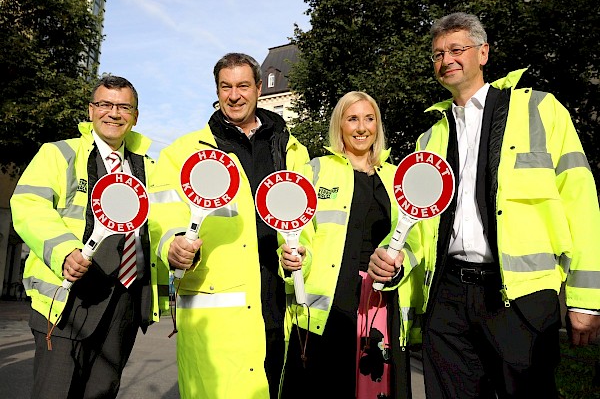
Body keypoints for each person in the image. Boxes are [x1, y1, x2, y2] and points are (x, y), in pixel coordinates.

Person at [369, 12, 600, 399]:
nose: (447, 60)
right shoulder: (430, 136)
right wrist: (397, 261)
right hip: (449, 296)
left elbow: (582, 204)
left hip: (520, 300)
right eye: (438, 54)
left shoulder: (540, 110)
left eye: (457, 49)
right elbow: (422, 229)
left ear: (484, 53)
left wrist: (587, 300)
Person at [148, 52, 310, 398]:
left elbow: (304, 216)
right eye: (226, 86)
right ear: (217, 90)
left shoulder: (291, 149)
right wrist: (172, 244)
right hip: (216, 313)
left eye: (242, 86)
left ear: (258, 90)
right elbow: (163, 215)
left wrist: (300, 252)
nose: (234, 95)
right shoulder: (183, 151)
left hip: (276, 306)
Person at [10, 75, 170, 399]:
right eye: (105, 104)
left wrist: (177, 242)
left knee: (102, 392)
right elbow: (29, 206)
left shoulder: (152, 168)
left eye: (124, 106)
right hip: (68, 299)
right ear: (91, 109)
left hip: (124, 303)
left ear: (135, 116)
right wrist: (64, 251)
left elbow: (168, 221)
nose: (114, 113)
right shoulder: (58, 154)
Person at [279, 91, 423, 399]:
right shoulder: (315, 170)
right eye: (352, 118)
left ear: (378, 125)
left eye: (369, 119)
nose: (361, 128)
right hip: (327, 307)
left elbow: (417, 241)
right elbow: (299, 230)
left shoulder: (398, 176)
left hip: (382, 305)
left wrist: (399, 265)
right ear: (339, 125)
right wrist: (297, 257)